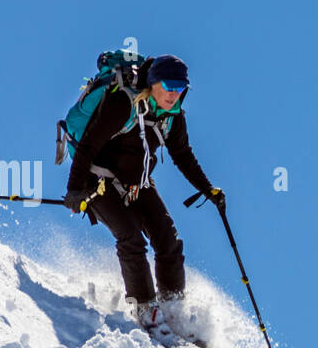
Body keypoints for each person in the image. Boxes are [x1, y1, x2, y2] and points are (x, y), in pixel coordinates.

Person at [65, 54, 224, 331]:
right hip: (96, 178)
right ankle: (147, 310)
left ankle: (173, 310)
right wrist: (75, 190)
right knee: (130, 236)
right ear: (153, 83)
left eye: (180, 88)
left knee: (168, 240)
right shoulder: (122, 103)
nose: (174, 94)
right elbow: (88, 146)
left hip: (137, 182)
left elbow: (183, 156)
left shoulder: (173, 117)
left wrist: (208, 190)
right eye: (169, 85)